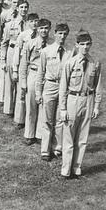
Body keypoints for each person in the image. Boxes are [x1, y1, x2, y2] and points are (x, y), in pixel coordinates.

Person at [59, 31, 103, 179]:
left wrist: (96, 105)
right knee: (69, 136)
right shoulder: (70, 63)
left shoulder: (94, 63)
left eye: (88, 44)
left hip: (88, 100)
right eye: (82, 44)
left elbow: (98, 85)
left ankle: (77, 167)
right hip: (73, 99)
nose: (85, 47)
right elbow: (63, 87)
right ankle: (66, 170)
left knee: (83, 138)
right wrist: (63, 108)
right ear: (76, 45)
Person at [36, 23, 72, 161]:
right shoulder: (46, 51)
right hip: (50, 86)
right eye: (60, 33)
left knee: (60, 119)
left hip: (64, 87)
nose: (62, 37)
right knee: (47, 119)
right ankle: (45, 149)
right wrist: (38, 92)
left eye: (65, 34)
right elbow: (41, 73)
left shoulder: (70, 52)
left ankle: (57, 147)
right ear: (55, 33)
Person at [19, 18, 51, 145]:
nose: (44, 30)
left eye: (46, 28)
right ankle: (29, 134)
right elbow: (24, 64)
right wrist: (23, 81)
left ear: (49, 29)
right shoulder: (30, 43)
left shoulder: (52, 44)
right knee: (31, 105)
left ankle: (39, 134)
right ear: (37, 29)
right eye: (41, 28)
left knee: (43, 105)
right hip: (33, 73)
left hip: (46, 76)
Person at [0, 0, 29, 117]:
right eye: (21, 7)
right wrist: (2, 59)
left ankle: (19, 113)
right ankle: (8, 109)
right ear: (17, 8)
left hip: (25, 55)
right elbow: (4, 43)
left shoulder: (31, 24)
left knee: (21, 82)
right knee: (10, 81)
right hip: (12, 52)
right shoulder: (10, 24)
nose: (23, 9)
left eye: (26, 7)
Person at [13, 12, 39, 127]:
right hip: (24, 67)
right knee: (22, 93)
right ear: (27, 23)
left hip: (34, 69)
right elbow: (17, 52)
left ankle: (33, 120)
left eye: (36, 21)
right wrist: (15, 68)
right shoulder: (23, 35)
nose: (34, 23)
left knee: (32, 96)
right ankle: (20, 119)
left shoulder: (40, 36)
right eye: (32, 21)